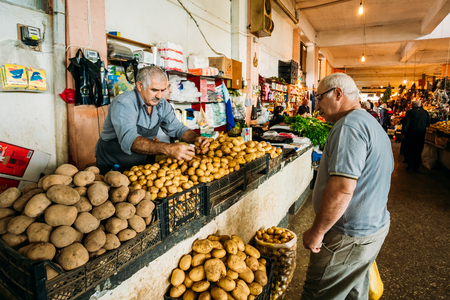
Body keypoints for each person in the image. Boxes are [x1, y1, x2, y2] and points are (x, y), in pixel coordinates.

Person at [301, 73, 394, 300]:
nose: (317, 105)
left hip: (346, 238)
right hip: (371, 231)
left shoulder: (349, 126)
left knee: (319, 294)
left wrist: (318, 232)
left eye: (320, 97)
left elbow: (343, 188)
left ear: (338, 94)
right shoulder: (371, 123)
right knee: (354, 294)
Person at [95, 66, 209, 174]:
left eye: (162, 90)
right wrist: (167, 148)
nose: (159, 96)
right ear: (140, 86)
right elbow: (130, 140)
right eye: (154, 90)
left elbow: (178, 128)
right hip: (113, 163)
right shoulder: (124, 103)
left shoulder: (162, 104)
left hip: (139, 163)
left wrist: (195, 138)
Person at [401, 100, 431, 172]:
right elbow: (428, 124)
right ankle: (416, 167)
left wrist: (404, 133)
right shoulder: (425, 112)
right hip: (421, 134)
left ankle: (410, 165)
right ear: (420, 105)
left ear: (412, 105)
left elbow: (406, 123)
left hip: (411, 134)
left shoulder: (410, 112)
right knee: (418, 150)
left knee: (410, 149)